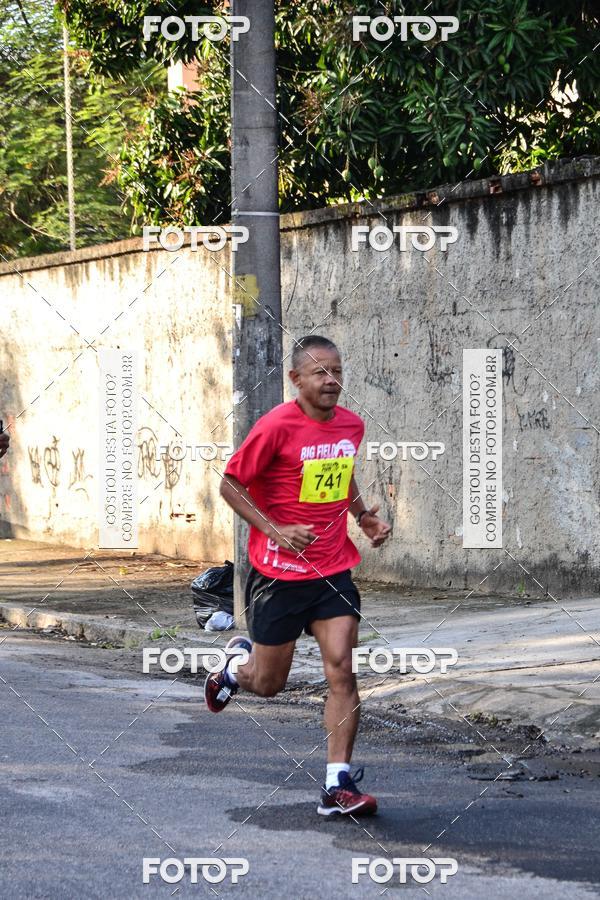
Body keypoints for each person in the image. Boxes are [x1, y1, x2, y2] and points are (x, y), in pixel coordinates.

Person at [205, 335, 391, 816]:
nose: (331, 381)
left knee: (342, 671)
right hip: (278, 575)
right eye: (319, 372)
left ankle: (337, 786)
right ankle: (232, 668)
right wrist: (274, 529)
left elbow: (340, 469)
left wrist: (361, 516)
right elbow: (230, 482)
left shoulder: (351, 425)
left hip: (331, 570)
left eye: (337, 371)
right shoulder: (276, 426)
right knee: (268, 684)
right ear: (296, 380)